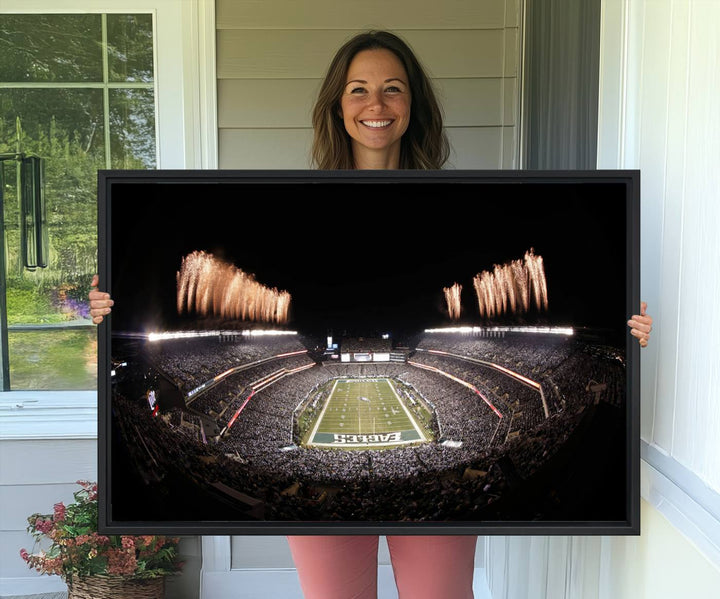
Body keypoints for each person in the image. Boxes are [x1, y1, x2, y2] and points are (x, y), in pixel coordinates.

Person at [89, 30, 653, 599]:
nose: (376, 105)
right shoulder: (298, 207)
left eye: (393, 89)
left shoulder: (454, 206)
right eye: (358, 90)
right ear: (338, 104)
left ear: (414, 105)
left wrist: (626, 332)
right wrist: (111, 313)